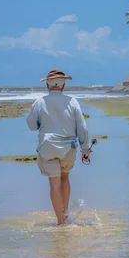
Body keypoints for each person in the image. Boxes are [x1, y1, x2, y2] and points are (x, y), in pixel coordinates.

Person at [27, 69, 90, 225]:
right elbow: (82, 128)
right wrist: (86, 149)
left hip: (47, 147)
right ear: (63, 86)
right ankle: (65, 213)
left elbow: (31, 125)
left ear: (48, 86)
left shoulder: (40, 102)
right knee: (65, 177)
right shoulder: (72, 102)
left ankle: (60, 221)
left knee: (54, 184)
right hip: (68, 147)